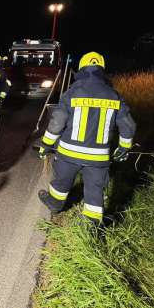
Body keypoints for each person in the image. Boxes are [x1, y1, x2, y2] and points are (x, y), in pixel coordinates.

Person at [37, 52, 136, 225]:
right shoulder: (114, 95)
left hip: (69, 155)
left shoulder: (71, 93)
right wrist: (123, 147)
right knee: (95, 191)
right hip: (98, 158)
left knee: (61, 182)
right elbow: (128, 125)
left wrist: (46, 144)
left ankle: (54, 204)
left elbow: (57, 122)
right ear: (102, 70)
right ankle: (91, 229)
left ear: (81, 68)